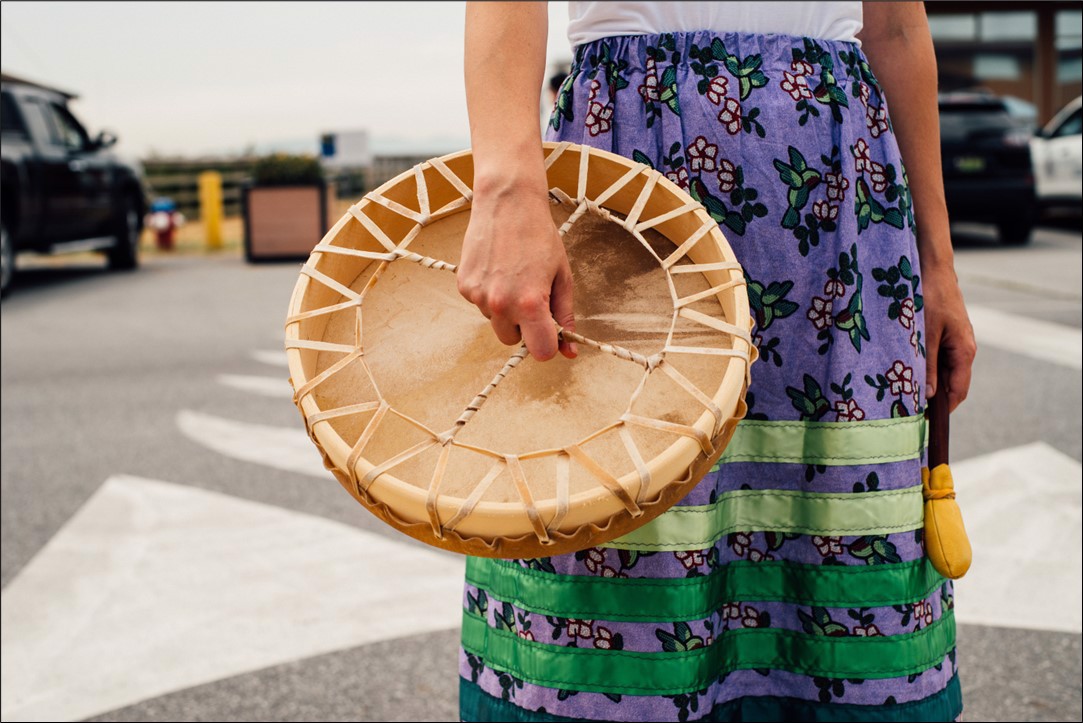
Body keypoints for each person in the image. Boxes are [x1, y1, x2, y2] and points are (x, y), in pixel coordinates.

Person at [457, 2, 977, 721]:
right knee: (617, 496)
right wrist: (505, 187)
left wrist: (937, 264)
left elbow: (894, 27)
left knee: (837, 516)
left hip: (841, 191)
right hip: (633, 156)